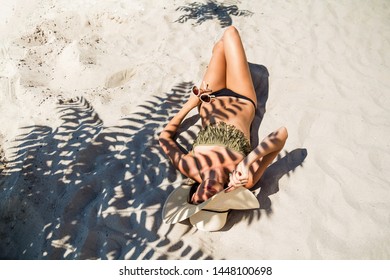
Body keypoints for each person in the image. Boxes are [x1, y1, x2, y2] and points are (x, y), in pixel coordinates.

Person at [159, 26, 288, 205]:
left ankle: (220, 56)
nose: (205, 195)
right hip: (242, 96)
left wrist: (190, 104)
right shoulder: (244, 180)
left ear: (193, 197)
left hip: (209, 97)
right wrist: (247, 162)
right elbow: (281, 135)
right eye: (209, 202)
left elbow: (164, 138)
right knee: (231, 33)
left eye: (198, 201)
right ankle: (228, 61)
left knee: (221, 47)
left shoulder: (190, 168)